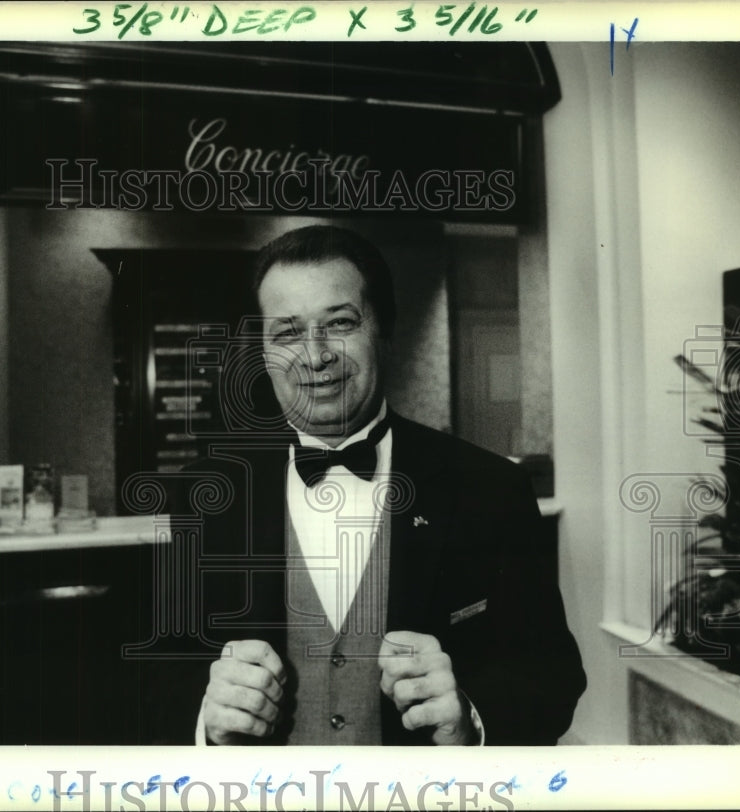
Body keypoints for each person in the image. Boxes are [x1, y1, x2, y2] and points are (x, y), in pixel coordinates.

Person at [140, 225, 586, 746]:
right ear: (262, 351)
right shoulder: (201, 497)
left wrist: (469, 716)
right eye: (286, 332)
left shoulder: (490, 489)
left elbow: (552, 677)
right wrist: (204, 717)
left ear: (383, 330)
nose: (314, 355)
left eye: (340, 323)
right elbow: (150, 677)